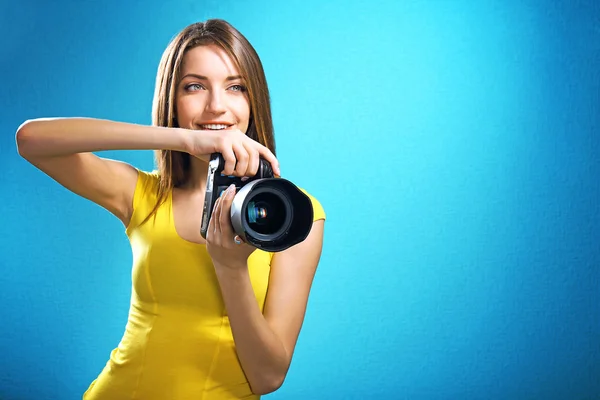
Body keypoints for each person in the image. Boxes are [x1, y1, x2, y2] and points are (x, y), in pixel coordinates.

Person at [16, 19, 326, 399]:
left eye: (236, 87)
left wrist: (230, 267)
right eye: (194, 87)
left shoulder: (293, 213)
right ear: (172, 101)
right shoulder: (144, 194)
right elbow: (31, 139)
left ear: (253, 101)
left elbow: (268, 377)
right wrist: (181, 138)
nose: (216, 106)